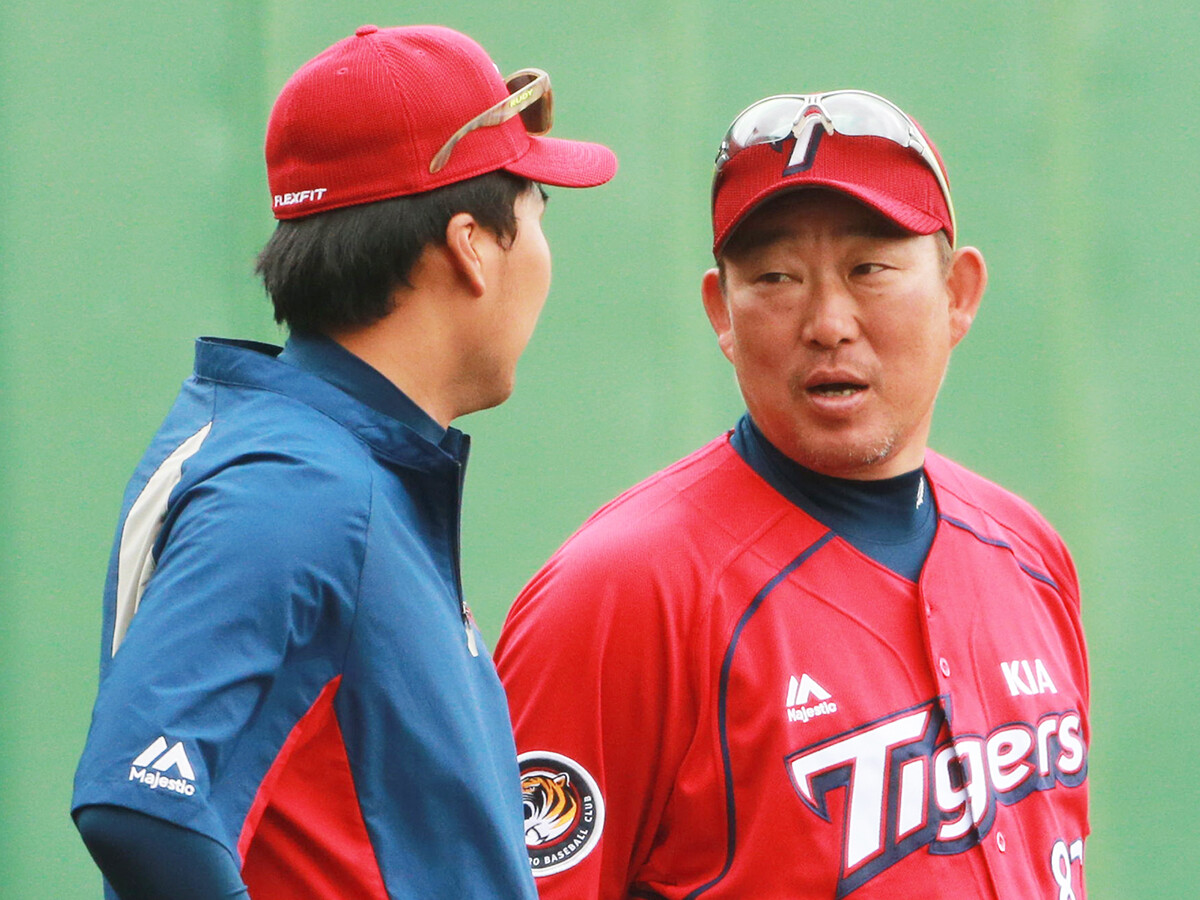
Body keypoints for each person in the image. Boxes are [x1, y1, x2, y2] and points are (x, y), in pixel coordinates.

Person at [495, 90, 1089, 899]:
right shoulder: (620, 594)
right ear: (722, 314)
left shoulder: (1029, 553)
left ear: (959, 294)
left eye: (869, 268)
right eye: (775, 276)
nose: (828, 321)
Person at [72, 23, 616, 899]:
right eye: (538, 215)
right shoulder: (302, 484)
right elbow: (138, 802)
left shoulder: (316, 458)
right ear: (472, 245)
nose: (546, 257)